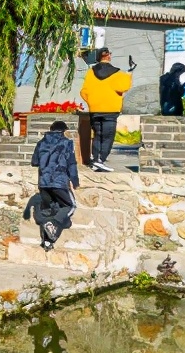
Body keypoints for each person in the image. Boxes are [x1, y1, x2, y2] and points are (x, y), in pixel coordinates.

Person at [26, 120, 79, 250]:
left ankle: (47, 242)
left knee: (49, 212)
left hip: (43, 184)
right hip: (59, 183)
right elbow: (71, 164)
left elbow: (34, 162)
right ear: (63, 131)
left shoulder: (41, 143)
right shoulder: (67, 143)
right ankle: (54, 223)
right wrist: (75, 180)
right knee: (69, 206)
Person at [80, 48, 132, 172]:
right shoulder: (117, 73)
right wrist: (129, 72)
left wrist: (91, 102)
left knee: (97, 135)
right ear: (109, 56)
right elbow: (124, 87)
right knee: (108, 136)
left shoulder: (90, 72)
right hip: (111, 109)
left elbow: (84, 91)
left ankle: (96, 160)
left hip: (95, 109)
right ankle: (100, 160)